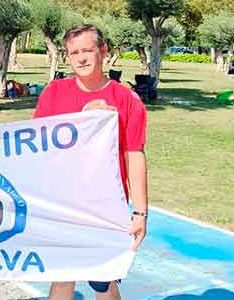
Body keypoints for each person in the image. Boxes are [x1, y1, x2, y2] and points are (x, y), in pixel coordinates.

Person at [32, 24, 148, 300]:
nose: (81, 58)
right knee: (62, 277)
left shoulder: (127, 99)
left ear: (103, 51)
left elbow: (135, 154)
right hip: (62, 204)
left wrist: (140, 212)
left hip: (106, 207)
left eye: (87, 50)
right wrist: (82, 122)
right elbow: (36, 147)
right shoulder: (53, 93)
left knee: (104, 283)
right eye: (74, 53)